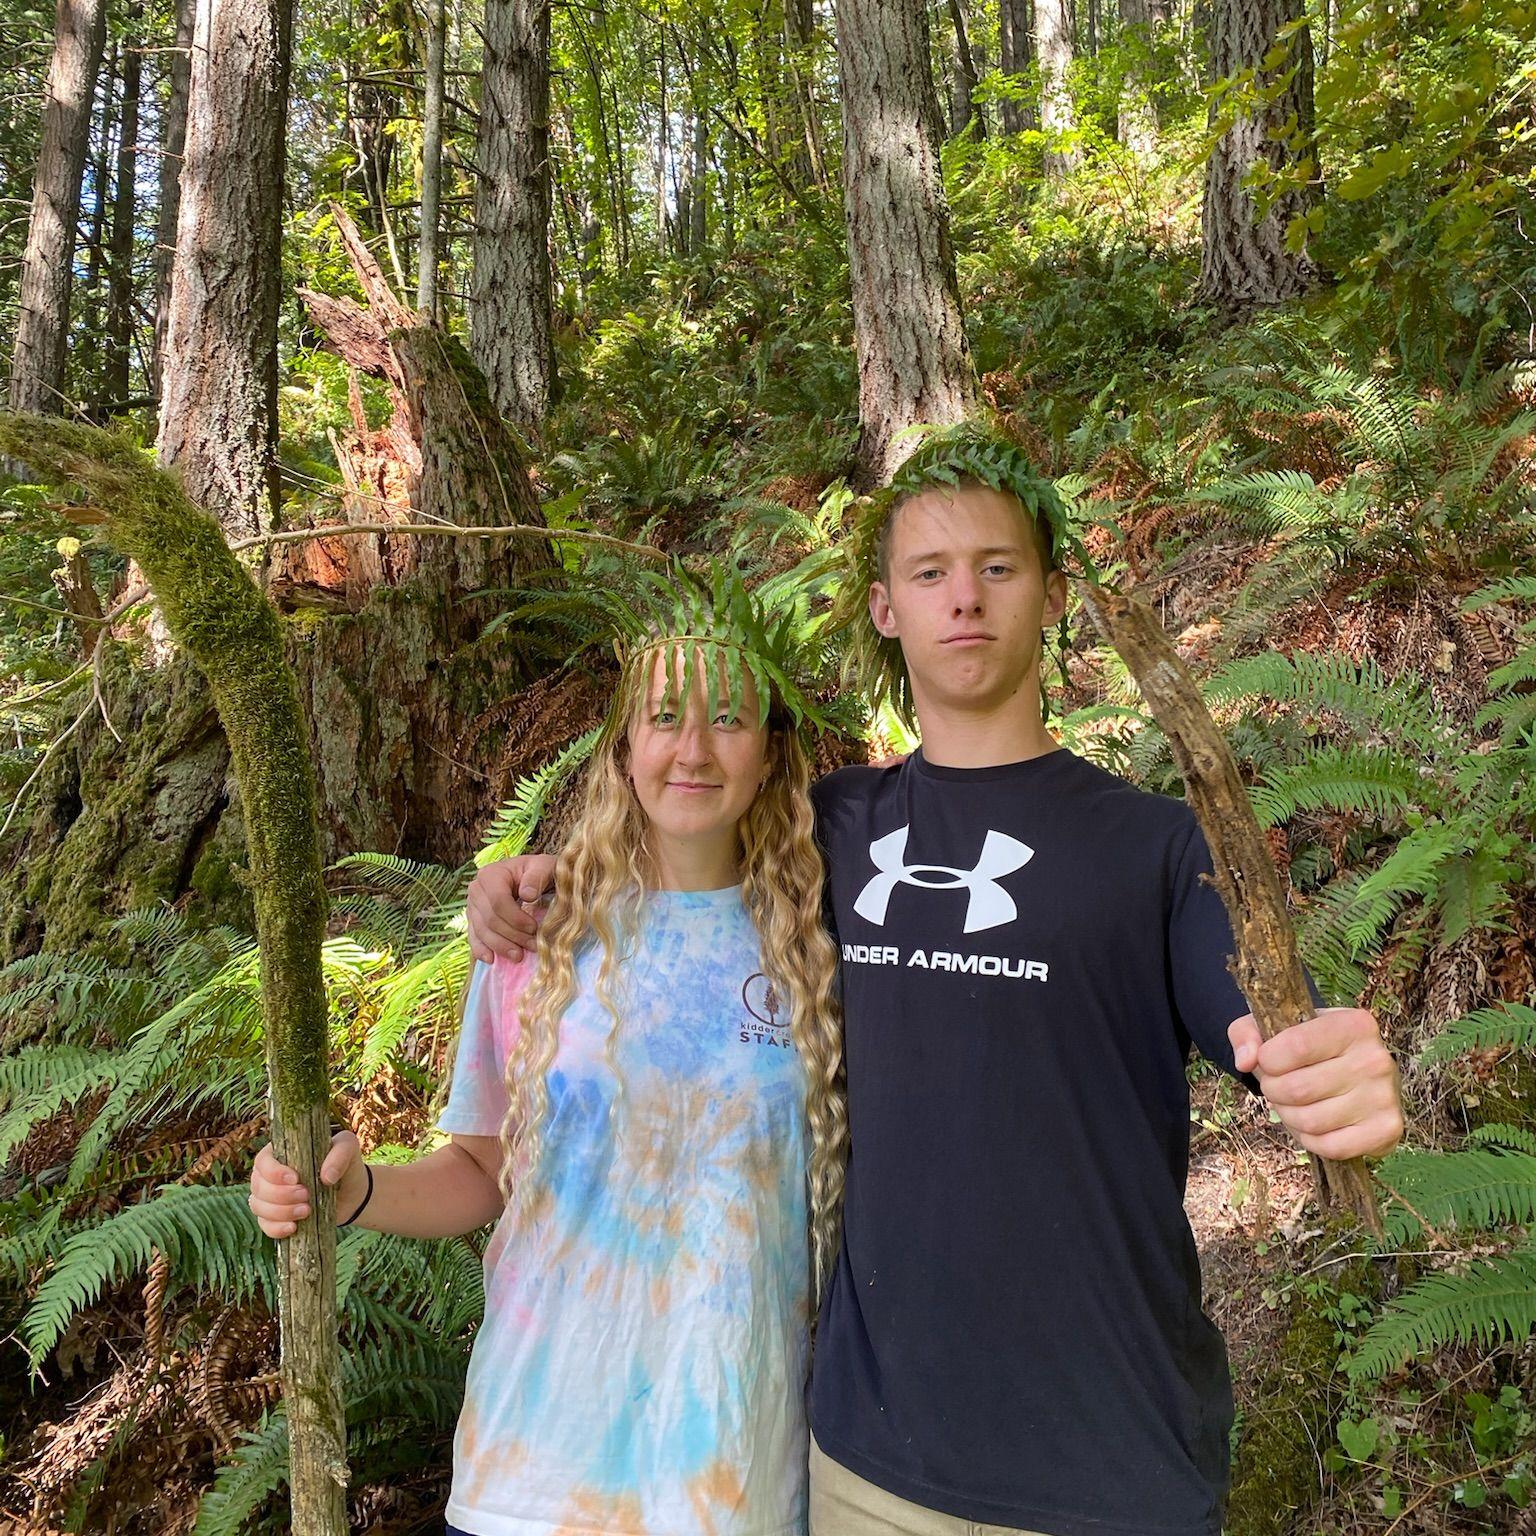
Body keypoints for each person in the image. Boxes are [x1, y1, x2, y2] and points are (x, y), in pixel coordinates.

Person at [466, 423, 1405, 1536]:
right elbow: (680, 854)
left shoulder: (1155, 846)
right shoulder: (828, 831)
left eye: (998, 567)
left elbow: (1273, 1031)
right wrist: (530, 881)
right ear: (884, 608)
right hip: (869, 1468)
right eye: (930, 573)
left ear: (1054, 595)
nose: (964, 598)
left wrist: (1329, 1071)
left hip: (1114, 1463)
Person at [247, 585, 848, 1536]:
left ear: (771, 751)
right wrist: (350, 1189)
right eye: (664, 718)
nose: (694, 750)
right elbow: (480, 1172)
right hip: (531, 1467)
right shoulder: (540, 938)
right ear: (623, 749)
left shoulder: (824, 947)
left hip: (730, 1476)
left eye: (729, 720)